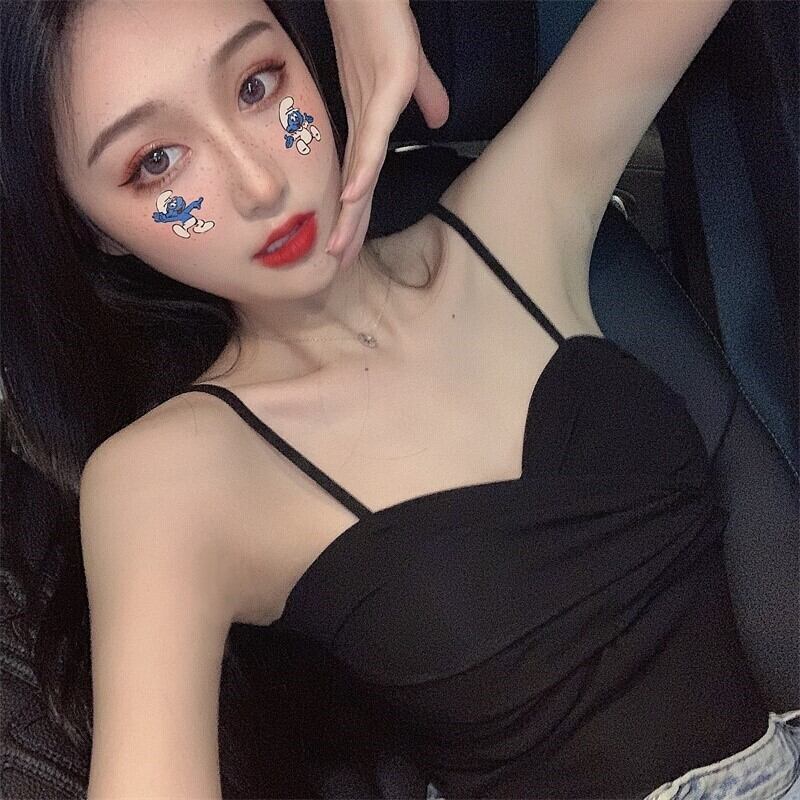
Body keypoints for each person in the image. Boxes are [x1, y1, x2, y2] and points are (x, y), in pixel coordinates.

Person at [1, 0, 797, 798]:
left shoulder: (512, 223)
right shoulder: (165, 481)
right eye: (156, 162)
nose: (259, 182)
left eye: (256, 85)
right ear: (96, 229)